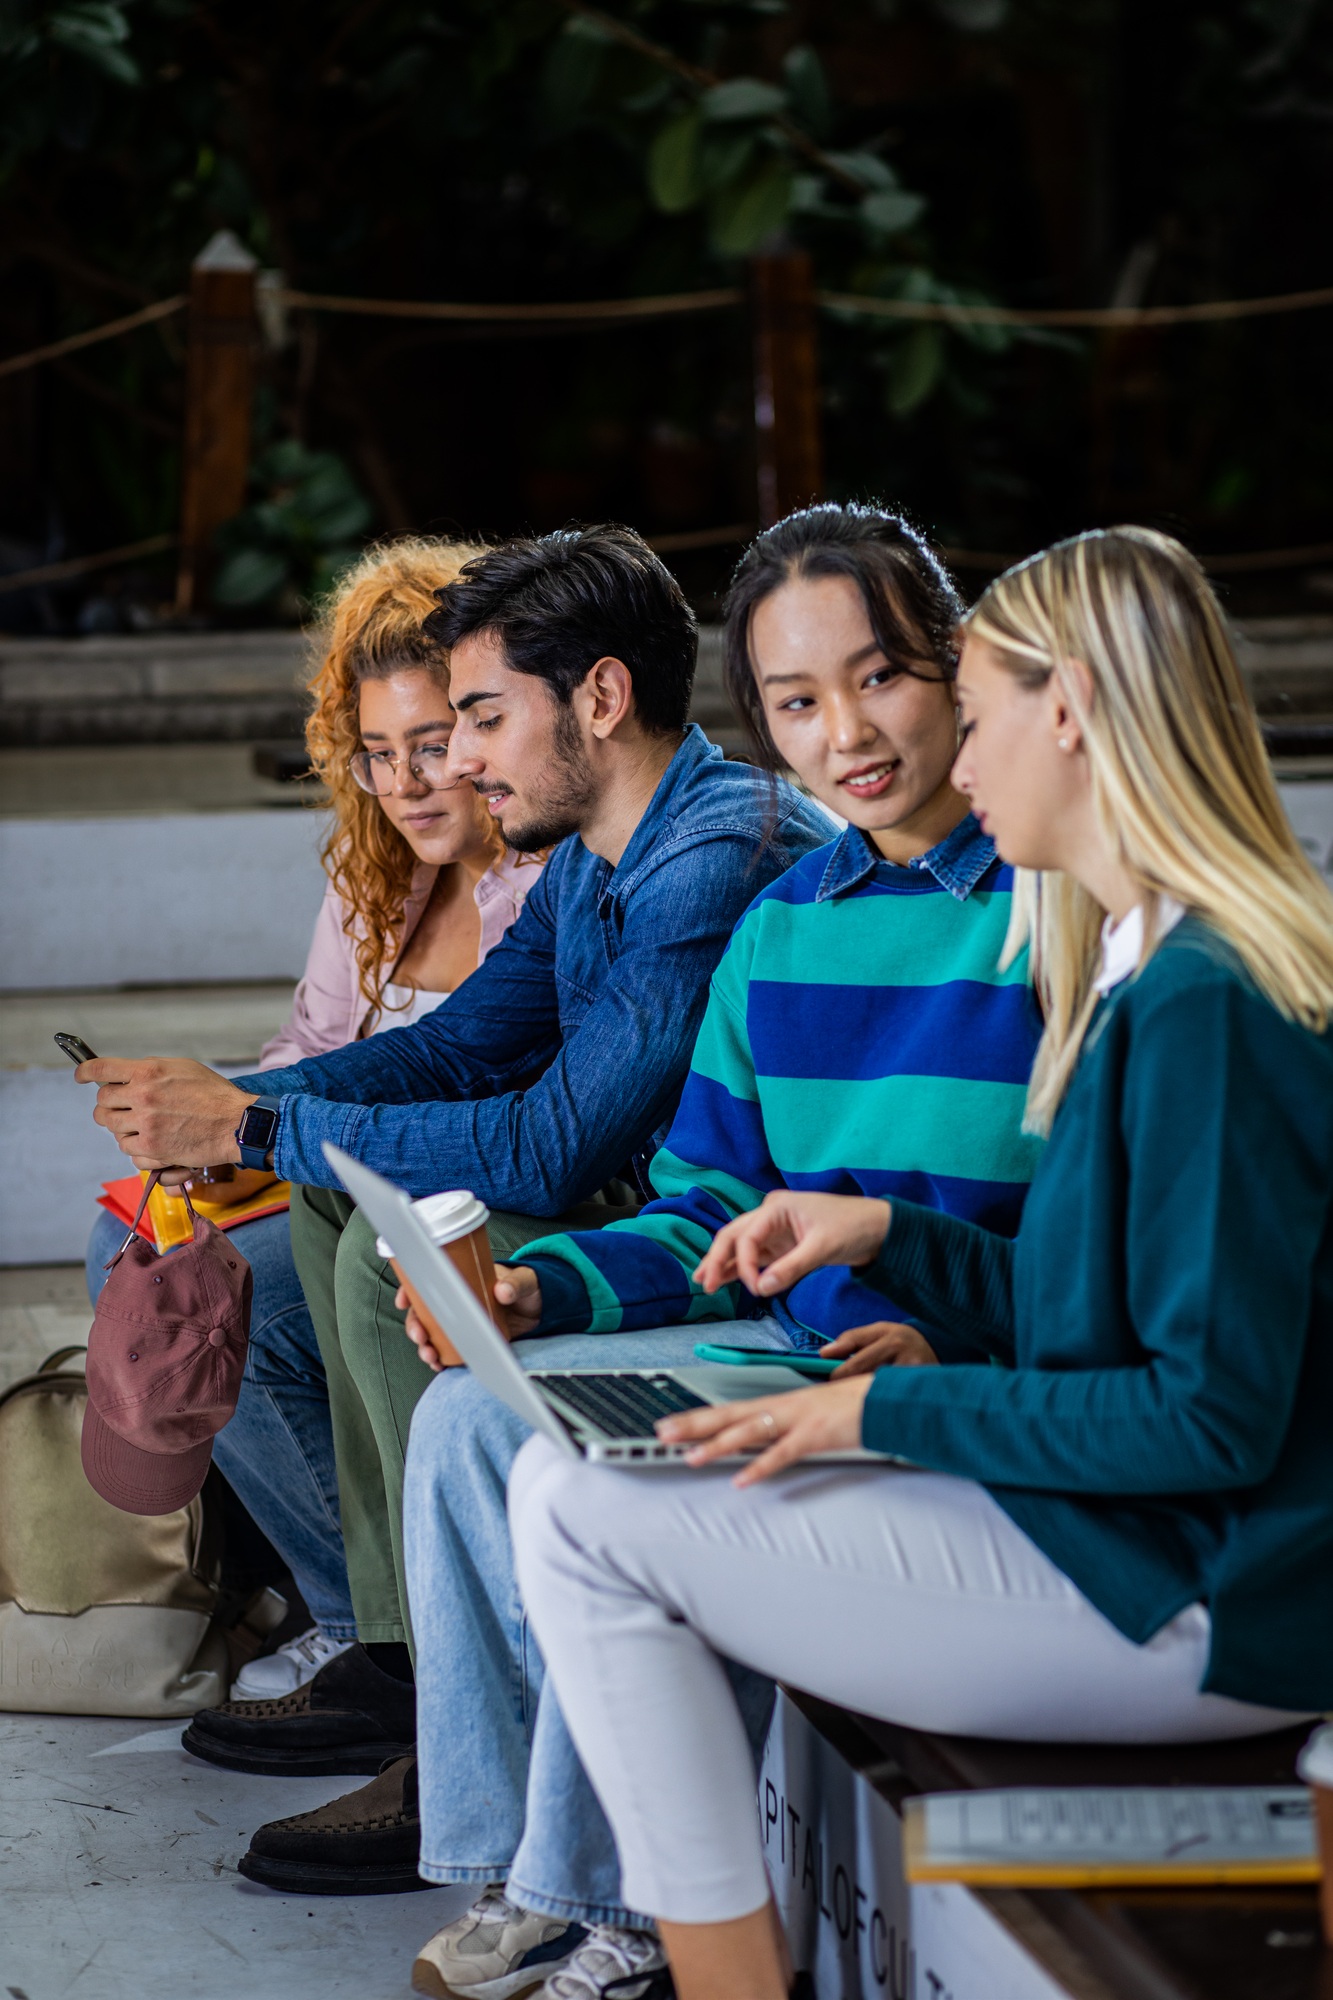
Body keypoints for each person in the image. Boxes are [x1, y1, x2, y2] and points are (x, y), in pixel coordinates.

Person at [508, 525, 1333, 2000]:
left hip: (1206, 1597)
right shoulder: (1145, 962)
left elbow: (1208, 1417)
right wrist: (892, 1236)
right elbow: (1094, 1319)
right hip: (1132, 1541)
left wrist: (872, 1416)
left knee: (582, 1516)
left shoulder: (1205, 999)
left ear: (1067, 710)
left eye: (972, 689)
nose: (958, 738)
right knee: (570, 1485)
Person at [79, 523, 832, 1884]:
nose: (465, 763)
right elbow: (462, 1041)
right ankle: (408, 1665)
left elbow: (548, 1145)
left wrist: (256, 1125)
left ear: (598, 699)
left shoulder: (709, 857)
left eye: (481, 717)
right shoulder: (605, 841)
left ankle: (461, 1722)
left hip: (730, 1252)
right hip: (640, 1209)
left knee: (385, 1238)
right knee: (329, 1202)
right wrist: (229, 1104)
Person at [399, 504, 1044, 1997]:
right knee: (467, 1418)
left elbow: (1081, 1242)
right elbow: (702, 1204)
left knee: (605, 1476)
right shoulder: (782, 923)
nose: (847, 737)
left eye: (879, 679)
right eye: (798, 704)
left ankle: (620, 1910)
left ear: (958, 671)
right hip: (780, 1330)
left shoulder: (1055, 905)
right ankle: (519, 1877)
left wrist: (928, 1315)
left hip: (942, 1362)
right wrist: (533, 1288)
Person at [83, 536, 542, 1699]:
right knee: (139, 1239)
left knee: (236, 1282)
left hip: (474, 1188)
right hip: (329, 1165)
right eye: (379, 752)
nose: (407, 784)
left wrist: (252, 1130)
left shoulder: (544, 881)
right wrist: (196, 1138)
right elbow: (304, 1056)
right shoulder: (373, 870)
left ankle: (376, 1630)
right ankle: (335, 1587)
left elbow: (504, 1102)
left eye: (434, 746)